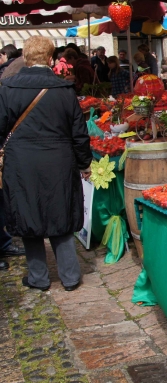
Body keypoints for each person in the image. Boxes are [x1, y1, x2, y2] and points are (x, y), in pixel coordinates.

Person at [0, 36, 92, 291]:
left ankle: (39, 277)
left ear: (26, 58)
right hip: (58, 161)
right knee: (60, 214)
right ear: (51, 59)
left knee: (29, 214)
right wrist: (85, 164)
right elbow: (79, 133)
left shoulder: (7, 88)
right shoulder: (64, 90)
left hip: (21, 163)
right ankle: (70, 276)